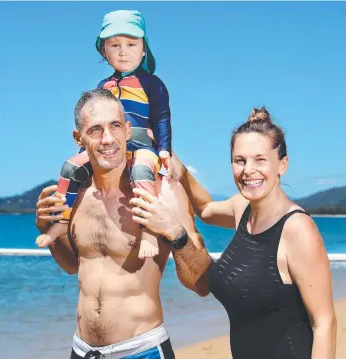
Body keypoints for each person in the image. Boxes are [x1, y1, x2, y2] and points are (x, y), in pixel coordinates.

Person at [130, 107, 337, 358]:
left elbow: (324, 323)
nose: (248, 170)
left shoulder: (297, 229)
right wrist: (171, 159)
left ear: (282, 164)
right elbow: (205, 208)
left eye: (260, 160)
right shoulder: (243, 208)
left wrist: (174, 230)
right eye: (240, 160)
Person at [35, 88, 208, 359]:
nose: (107, 139)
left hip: (143, 350)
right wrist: (48, 229)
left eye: (115, 126)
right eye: (95, 130)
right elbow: (71, 266)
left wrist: (175, 232)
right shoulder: (75, 197)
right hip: (82, 350)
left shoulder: (164, 194)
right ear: (78, 137)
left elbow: (202, 284)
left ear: (128, 130)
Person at [36, 9, 172, 259]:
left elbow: (162, 117)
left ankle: (149, 229)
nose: (123, 51)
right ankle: (62, 221)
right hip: (106, 145)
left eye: (131, 44)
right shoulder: (103, 87)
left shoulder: (152, 83)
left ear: (143, 50)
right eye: (115, 45)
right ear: (104, 51)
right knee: (70, 168)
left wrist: (164, 149)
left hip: (142, 145)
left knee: (141, 171)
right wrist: (83, 153)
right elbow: (93, 122)